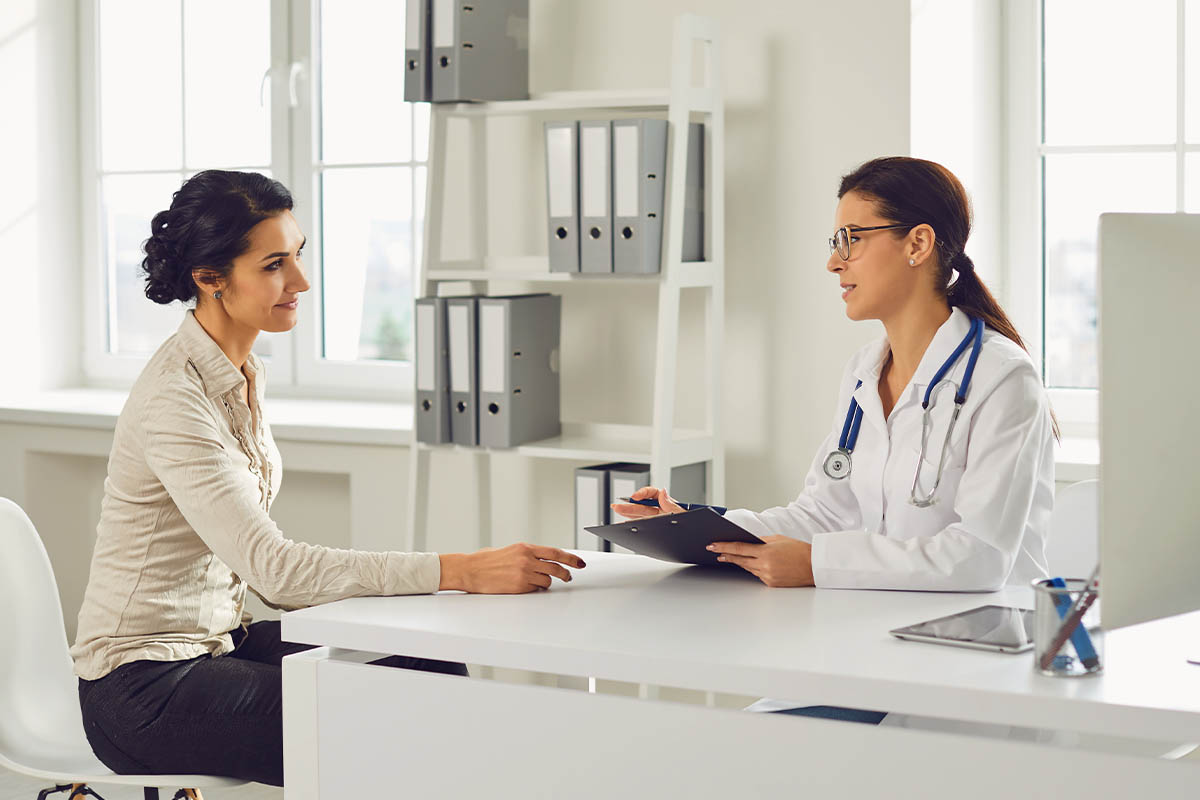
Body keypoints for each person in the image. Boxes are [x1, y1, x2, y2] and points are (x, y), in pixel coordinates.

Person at [71, 170, 585, 788]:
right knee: (383, 716)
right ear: (210, 279)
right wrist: (462, 570)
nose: (301, 281)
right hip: (143, 688)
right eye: (273, 265)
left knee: (427, 667)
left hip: (219, 646)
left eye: (299, 255)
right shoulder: (175, 400)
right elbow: (277, 573)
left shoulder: (238, 374)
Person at [612, 156, 1056, 722]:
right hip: (869, 644)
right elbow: (822, 513)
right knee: (732, 740)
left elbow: (980, 559)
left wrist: (818, 564)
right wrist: (702, 525)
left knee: (744, 750)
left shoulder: (1002, 378)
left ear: (918, 244)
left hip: (971, 664)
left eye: (851, 239)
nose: (833, 261)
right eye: (835, 240)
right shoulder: (865, 370)